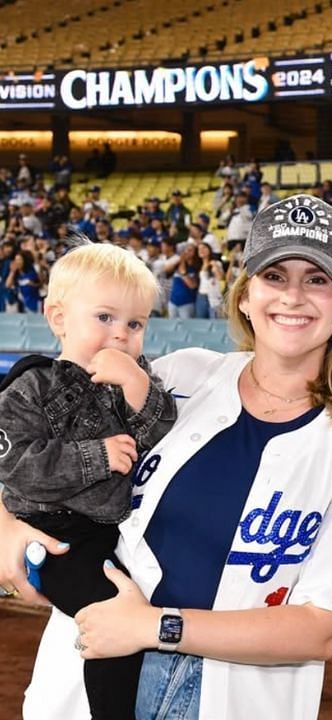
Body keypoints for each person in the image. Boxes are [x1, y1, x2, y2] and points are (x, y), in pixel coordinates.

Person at [2, 194, 332, 720]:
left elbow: (324, 628)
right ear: (244, 295)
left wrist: (154, 627)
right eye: (275, 276)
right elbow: (26, 438)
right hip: (83, 679)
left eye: (318, 279)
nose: (294, 297)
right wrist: (6, 525)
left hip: (232, 698)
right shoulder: (176, 376)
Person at [0, 242, 176, 719]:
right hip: (52, 535)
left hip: (110, 533)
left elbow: (164, 433)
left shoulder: (138, 380)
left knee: (149, 608)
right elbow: (18, 468)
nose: (120, 335)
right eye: (104, 317)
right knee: (113, 618)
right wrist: (96, 456)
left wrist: (138, 387)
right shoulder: (31, 386)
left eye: (135, 324)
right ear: (58, 318)